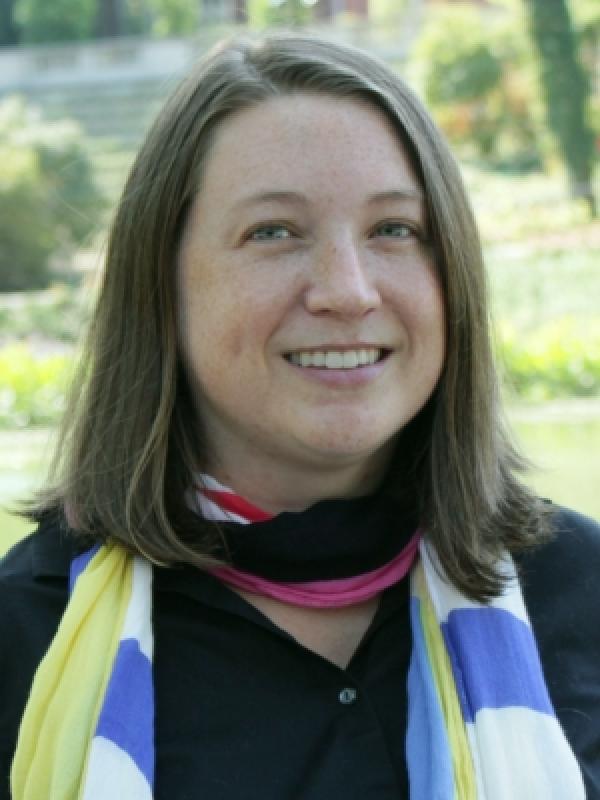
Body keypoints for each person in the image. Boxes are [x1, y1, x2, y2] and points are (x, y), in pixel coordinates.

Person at [1, 32, 599, 800]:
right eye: (274, 232)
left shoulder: (578, 591)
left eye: (395, 230)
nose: (348, 291)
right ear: (163, 285)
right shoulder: (30, 632)